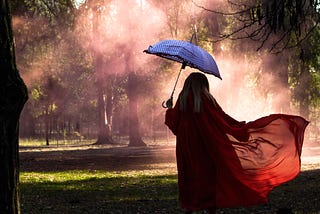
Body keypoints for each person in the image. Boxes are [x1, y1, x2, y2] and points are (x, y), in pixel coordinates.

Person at [165, 72, 309, 214]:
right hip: (206, 146)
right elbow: (222, 119)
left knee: (189, 174)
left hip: (186, 147)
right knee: (207, 175)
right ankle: (210, 208)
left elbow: (174, 125)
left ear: (187, 84)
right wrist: (239, 127)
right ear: (203, 85)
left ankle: (190, 207)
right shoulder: (206, 100)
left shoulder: (182, 100)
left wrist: (170, 109)